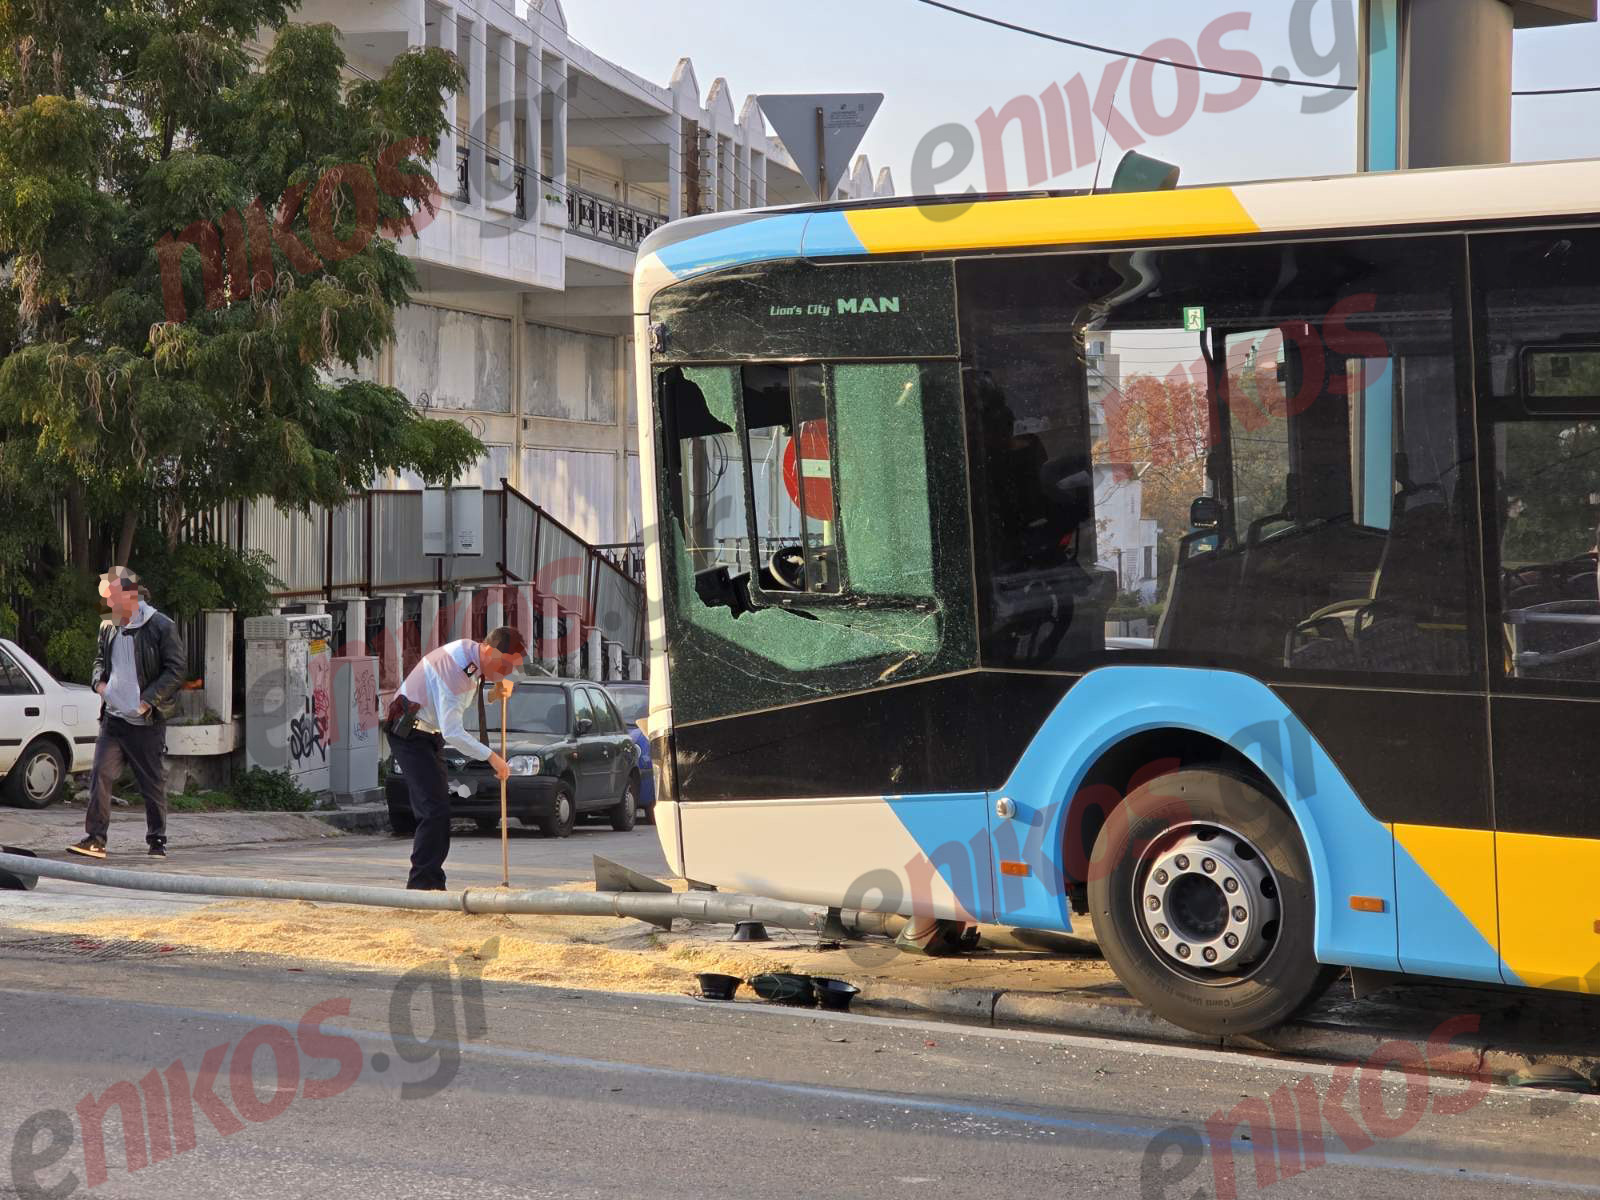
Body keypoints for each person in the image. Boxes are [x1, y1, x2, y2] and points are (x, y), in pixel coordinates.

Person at [386, 626, 526, 890]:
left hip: (427, 733)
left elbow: (477, 680)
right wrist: (492, 758)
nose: (507, 672)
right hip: (409, 734)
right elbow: (454, 733)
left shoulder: (469, 652)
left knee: (438, 810)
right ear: (489, 650)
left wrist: (498, 688)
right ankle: (422, 887)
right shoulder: (455, 673)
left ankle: (432, 881)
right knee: (433, 811)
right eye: (504, 665)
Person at [69, 566, 187, 860]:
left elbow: (176, 670)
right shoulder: (108, 626)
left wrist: (148, 701)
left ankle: (157, 840)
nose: (104, 607)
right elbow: (99, 659)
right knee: (101, 775)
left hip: (145, 722)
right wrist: (98, 681)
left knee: (151, 783)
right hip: (114, 719)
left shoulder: (160, 626)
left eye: (108, 600)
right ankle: (95, 839)